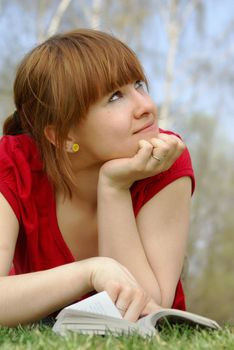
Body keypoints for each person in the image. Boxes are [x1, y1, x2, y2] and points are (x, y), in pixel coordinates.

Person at [0, 28, 195, 327]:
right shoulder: (14, 164)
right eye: (115, 97)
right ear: (63, 135)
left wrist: (114, 187)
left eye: (139, 85)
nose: (146, 106)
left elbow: (146, 308)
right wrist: (91, 271)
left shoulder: (164, 159)